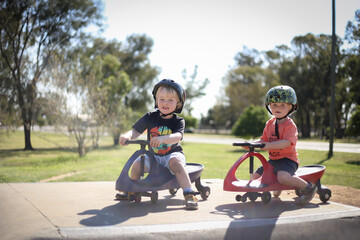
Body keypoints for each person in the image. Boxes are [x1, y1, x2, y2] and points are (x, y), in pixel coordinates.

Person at [117, 79, 199, 210]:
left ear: (178, 104)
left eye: (170, 100)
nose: (165, 103)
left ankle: (189, 193)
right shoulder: (149, 117)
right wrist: (127, 135)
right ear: (156, 100)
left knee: (176, 163)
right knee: (137, 164)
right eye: (162, 99)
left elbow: (178, 136)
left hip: (172, 153)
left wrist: (163, 139)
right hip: (153, 155)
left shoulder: (178, 121)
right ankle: (132, 190)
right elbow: (136, 131)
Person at [245, 85, 317, 204]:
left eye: (282, 105)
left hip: (288, 160)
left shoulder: (290, 126)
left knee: (283, 177)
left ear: (291, 107)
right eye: (274, 105)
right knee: (256, 175)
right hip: (273, 160)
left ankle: (308, 187)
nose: (278, 108)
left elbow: (286, 143)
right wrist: (251, 144)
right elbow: (263, 141)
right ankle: (262, 190)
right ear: (269, 106)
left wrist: (269, 146)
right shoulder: (270, 123)